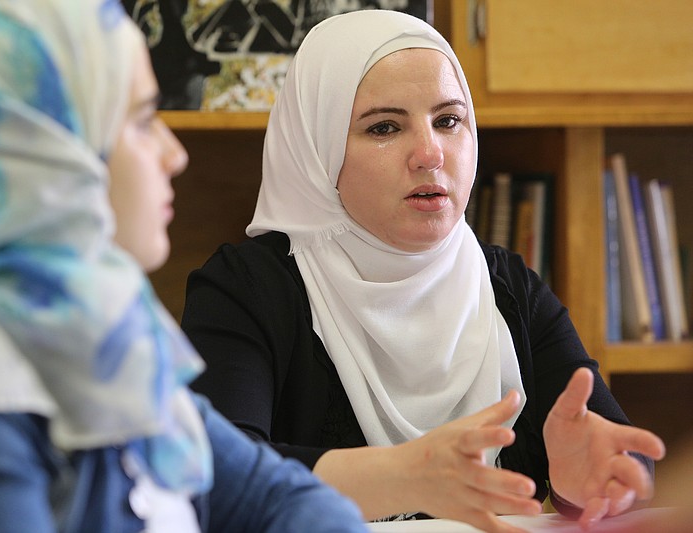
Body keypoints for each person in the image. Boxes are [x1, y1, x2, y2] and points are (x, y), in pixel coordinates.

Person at [181, 9, 667, 533]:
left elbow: (618, 458)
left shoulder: (507, 285)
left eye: (448, 120)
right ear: (316, 152)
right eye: (384, 127)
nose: (430, 153)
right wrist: (406, 475)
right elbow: (212, 482)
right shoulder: (247, 288)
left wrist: (590, 479)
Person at [0, 1, 367, 532]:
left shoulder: (103, 329)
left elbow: (277, 496)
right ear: (40, 154)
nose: (174, 154)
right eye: (143, 121)